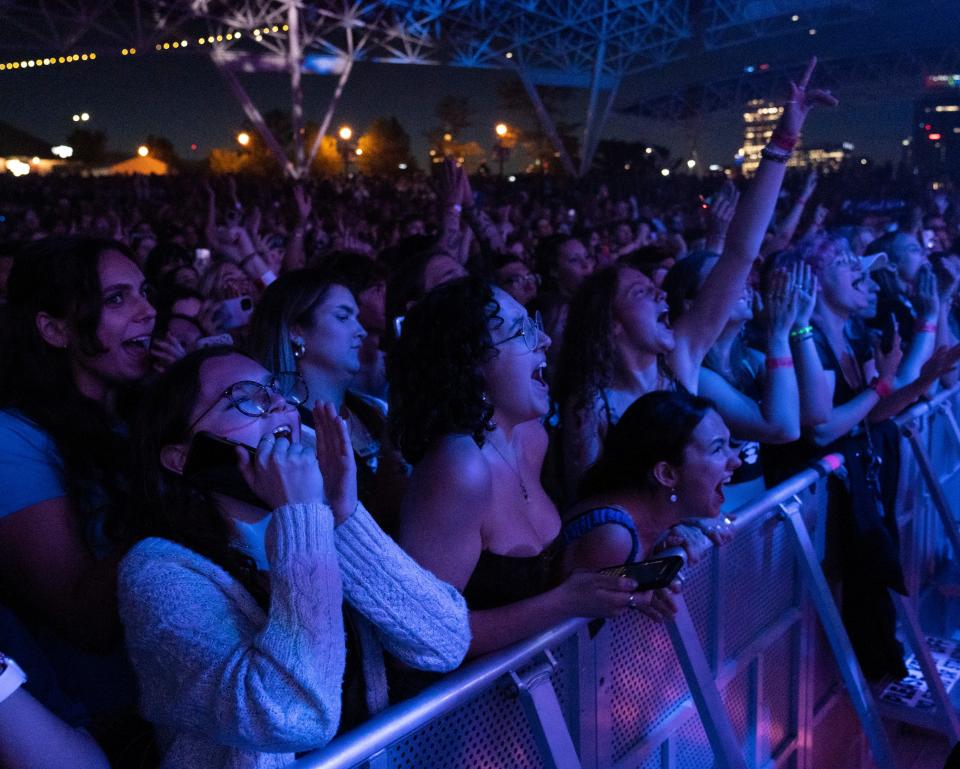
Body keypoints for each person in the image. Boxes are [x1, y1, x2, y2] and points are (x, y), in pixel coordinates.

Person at [118, 347, 470, 769]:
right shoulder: (157, 573)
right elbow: (293, 715)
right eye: (246, 398)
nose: (280, 405)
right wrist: (301, 516)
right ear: (181, 457)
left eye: (276, 390)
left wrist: (344, 518)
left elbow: (445, 642)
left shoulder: (319, 524)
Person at [554, 58, 838, 500]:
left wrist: (784, 140)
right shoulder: (591, 407)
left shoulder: (679, 362)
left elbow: (742, 252)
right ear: (612, 323)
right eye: (643, 293)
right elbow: (586, 506)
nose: (661, 298)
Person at [389, 276, 638, 663]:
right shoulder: (459, 467)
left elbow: (542, 577)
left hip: (533, 685)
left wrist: (624, 587)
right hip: (466, 708)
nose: (545, 341)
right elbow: (423, 635)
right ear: (471, 361)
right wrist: (564, 603)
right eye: (521, 331)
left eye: (534, 325)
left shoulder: (530, 437)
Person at [0, 237, 155, 731]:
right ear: (54, 328)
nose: (148, 311)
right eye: (116, 299)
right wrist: (174, 493)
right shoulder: (14, 439)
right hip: (109, 716)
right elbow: (82, 619)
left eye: (144, 292)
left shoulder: (138, 412)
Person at [664, 255, 830, 509]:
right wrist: (778, 335)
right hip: (719, 516)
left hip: (753, 505)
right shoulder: (698, 375)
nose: (742, 284)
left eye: (742, 278)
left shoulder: (750, 358)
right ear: (690, 304)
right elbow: (783, 429)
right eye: (726, 278)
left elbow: (817, 412)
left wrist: (801, 324)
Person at [249, 269, 407, 534]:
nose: (360, 330)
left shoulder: (376, 411)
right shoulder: (283, 434)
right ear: (296, 331)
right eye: (343, 317)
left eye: (357, 317)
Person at [562, 390, 741, 619]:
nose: (736, 461)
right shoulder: (612, 537)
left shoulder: (657, 524)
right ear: (666, 474)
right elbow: (579, 642)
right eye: (717, 449)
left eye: (730, 445)